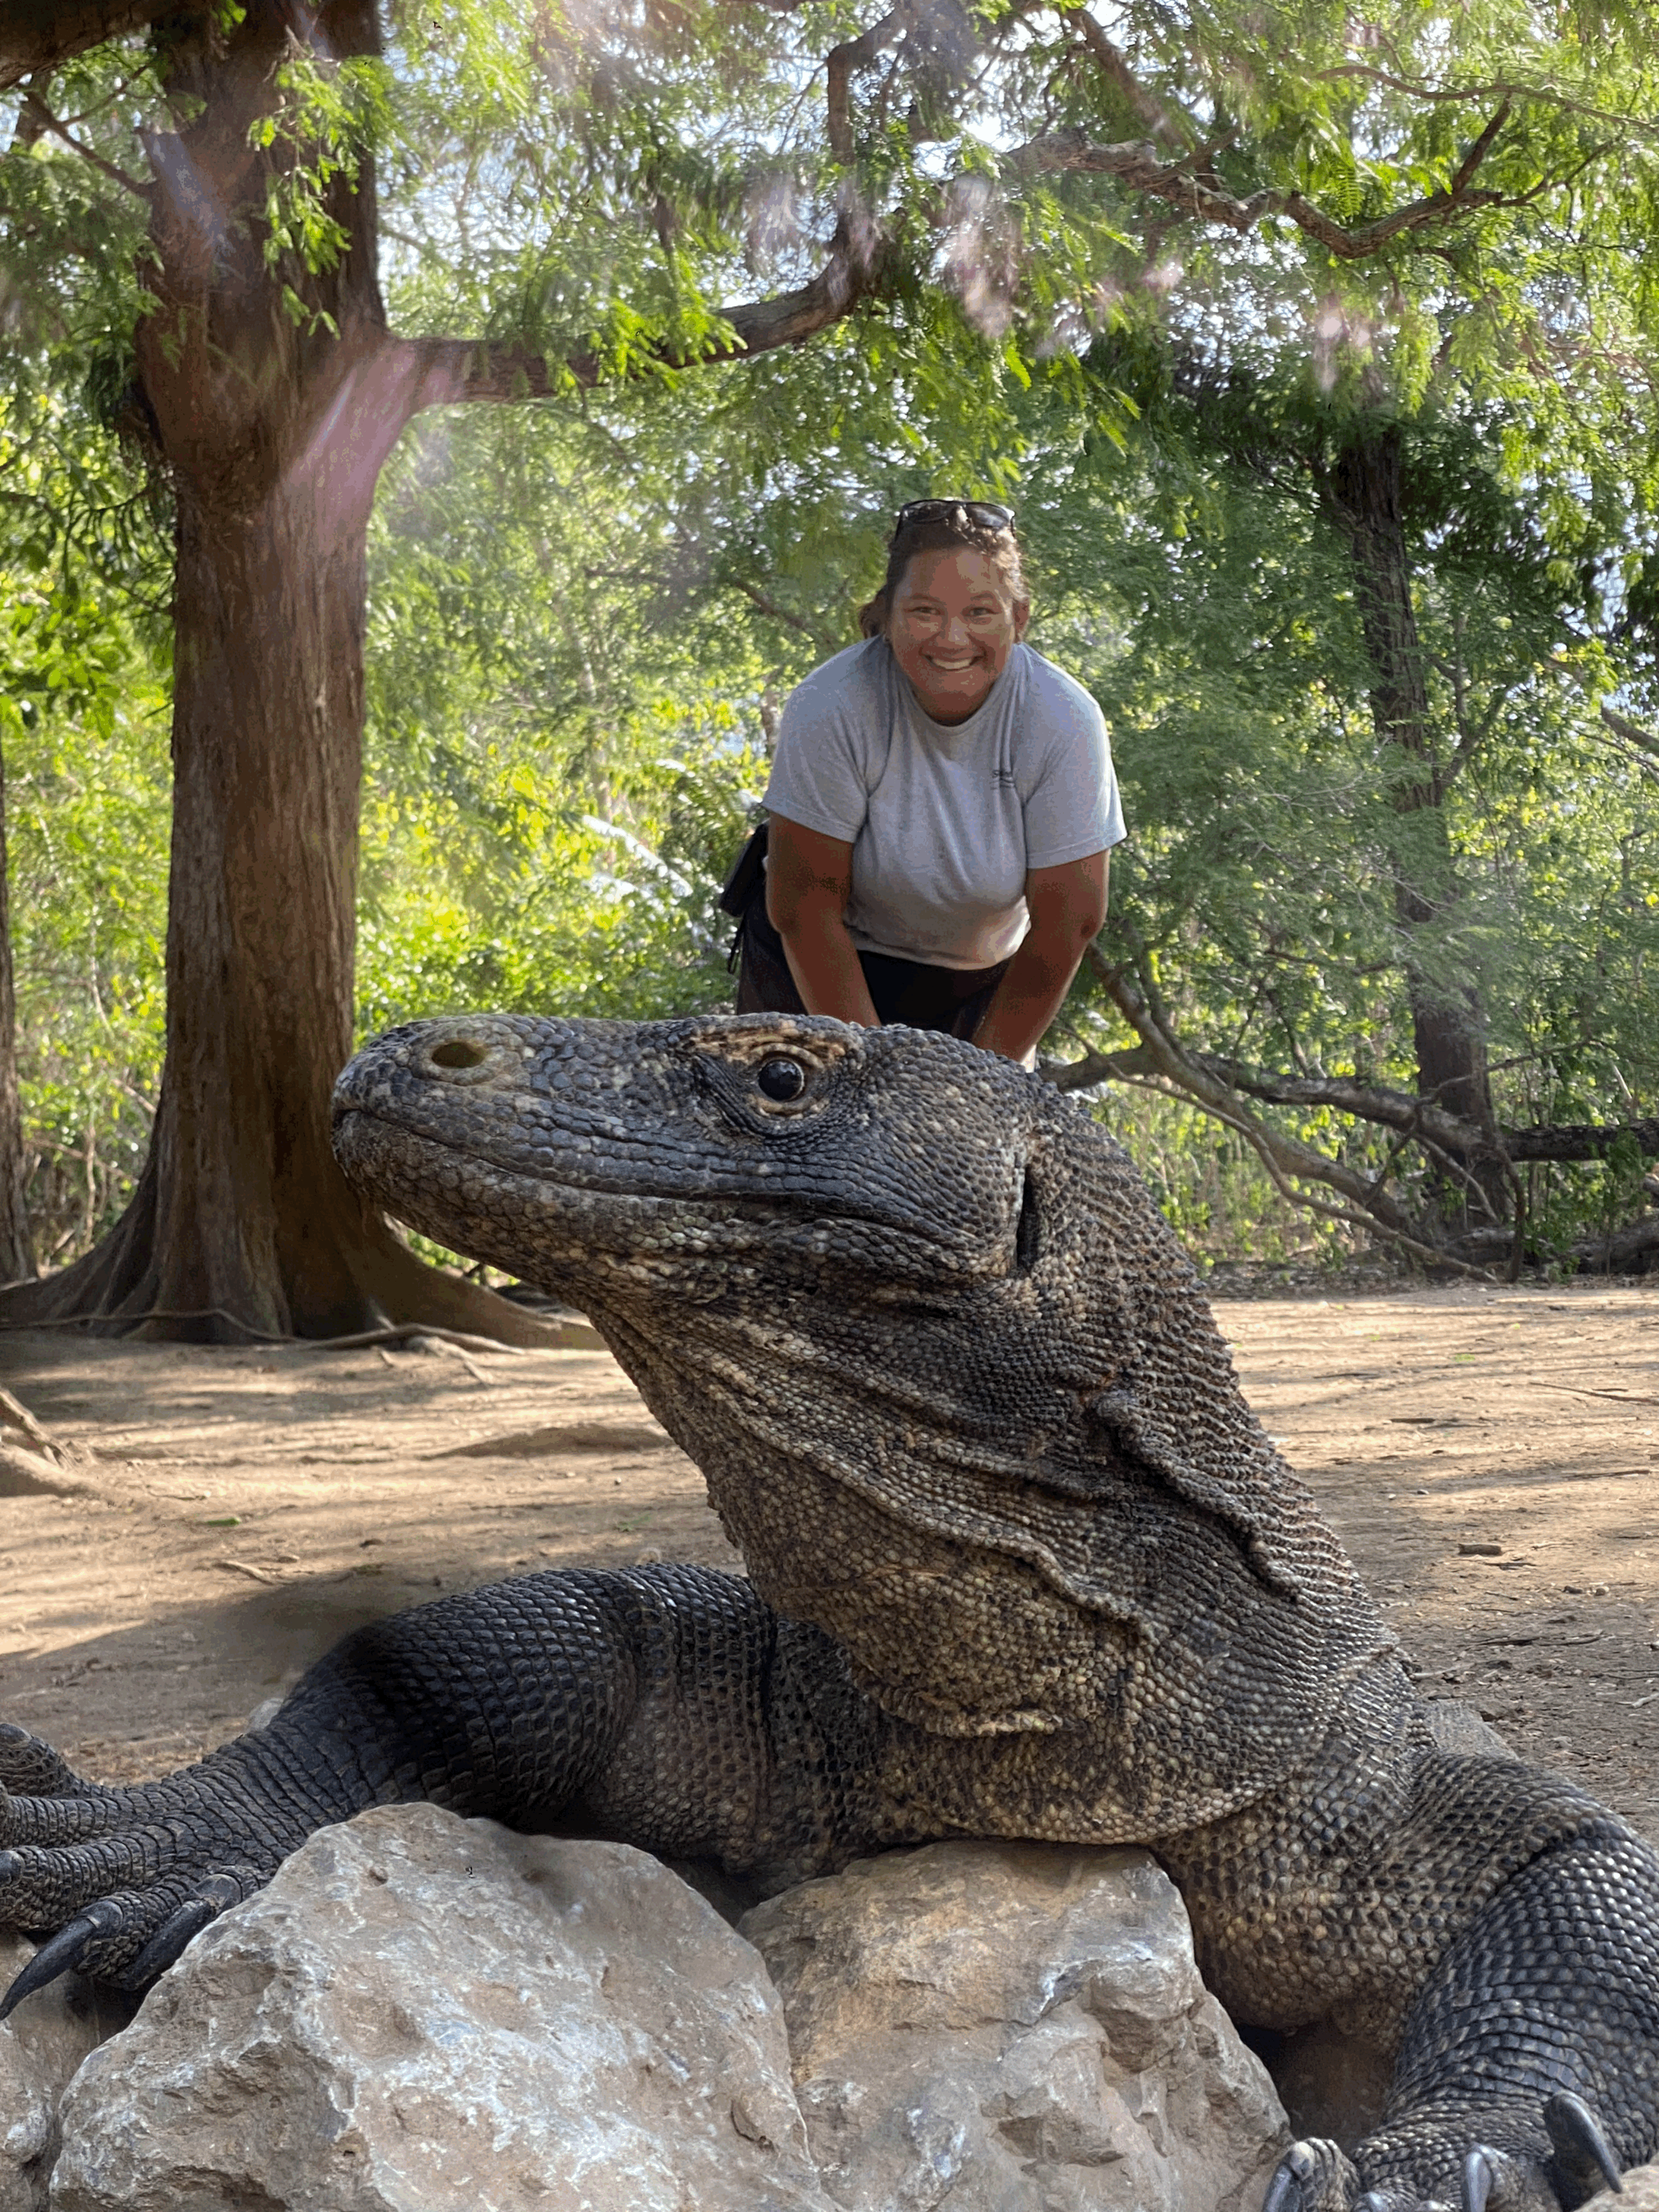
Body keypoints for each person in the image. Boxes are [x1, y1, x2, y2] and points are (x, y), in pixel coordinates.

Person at [733, 499, 1125, 1064]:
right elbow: (804, 905)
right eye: (924, 611)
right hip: (816, 963)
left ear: (1019, 618)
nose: (951, 638)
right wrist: (875, 1070)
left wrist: (985, 1077)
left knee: (972, 1136)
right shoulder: (831, 704)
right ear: (888, 614)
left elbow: (1070, 923)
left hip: (981, 984)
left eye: (980, 613)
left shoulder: (1062, 719)